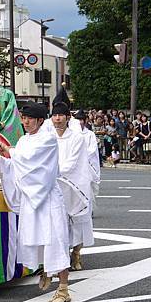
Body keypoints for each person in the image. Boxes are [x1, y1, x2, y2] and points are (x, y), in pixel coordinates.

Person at [0, 101, 71, 302]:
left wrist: (8, 149)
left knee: (55, 240)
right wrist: (2, 157)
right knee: (36, 238)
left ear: (40, 120)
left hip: (48, 198)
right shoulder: (24, 140)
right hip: (31, 198)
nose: (24, 121)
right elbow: (19, 163)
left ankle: (63, 288)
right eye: (23, 118)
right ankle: (46, 269)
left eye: (29, 118)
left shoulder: (48, 139)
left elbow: (30, 160)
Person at [50, 102, 94, 271]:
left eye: (61, 115)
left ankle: (76, 252)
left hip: (74, 184)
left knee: (76, 220)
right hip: (54, 183)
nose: (57, 118)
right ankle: (60, 256)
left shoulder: (77, 138)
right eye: (54, 115)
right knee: (57, 221)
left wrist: (53, 171)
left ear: (68, 117)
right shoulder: (48, 136)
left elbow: (72, 163)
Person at [73, 110, 101, 199]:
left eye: (81, 120)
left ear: (85, 121)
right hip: (74, 164)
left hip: (86, 164)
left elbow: (92, 149)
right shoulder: (71, 133)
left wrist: (81, 157)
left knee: (87, 187)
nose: (79, 122)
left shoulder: (90, 134)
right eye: (78, 120)